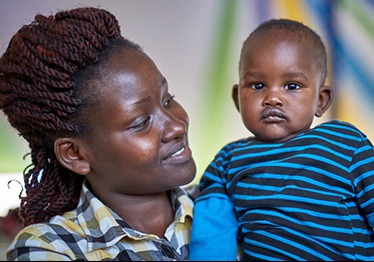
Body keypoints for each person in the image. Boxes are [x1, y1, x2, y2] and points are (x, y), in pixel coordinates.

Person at [0, 7, 197, 261]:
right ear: (75, 154)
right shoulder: (50, 247)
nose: (177, 126)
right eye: (140, 122)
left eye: (168, 99)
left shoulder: (230, 200)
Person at [189, 18, 374, 261]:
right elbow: (212, 226)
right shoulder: (229, 159)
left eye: (292, 85)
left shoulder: (344, 143)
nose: (273, 98)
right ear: (238, 98)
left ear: (321, 100)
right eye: (257, 85)